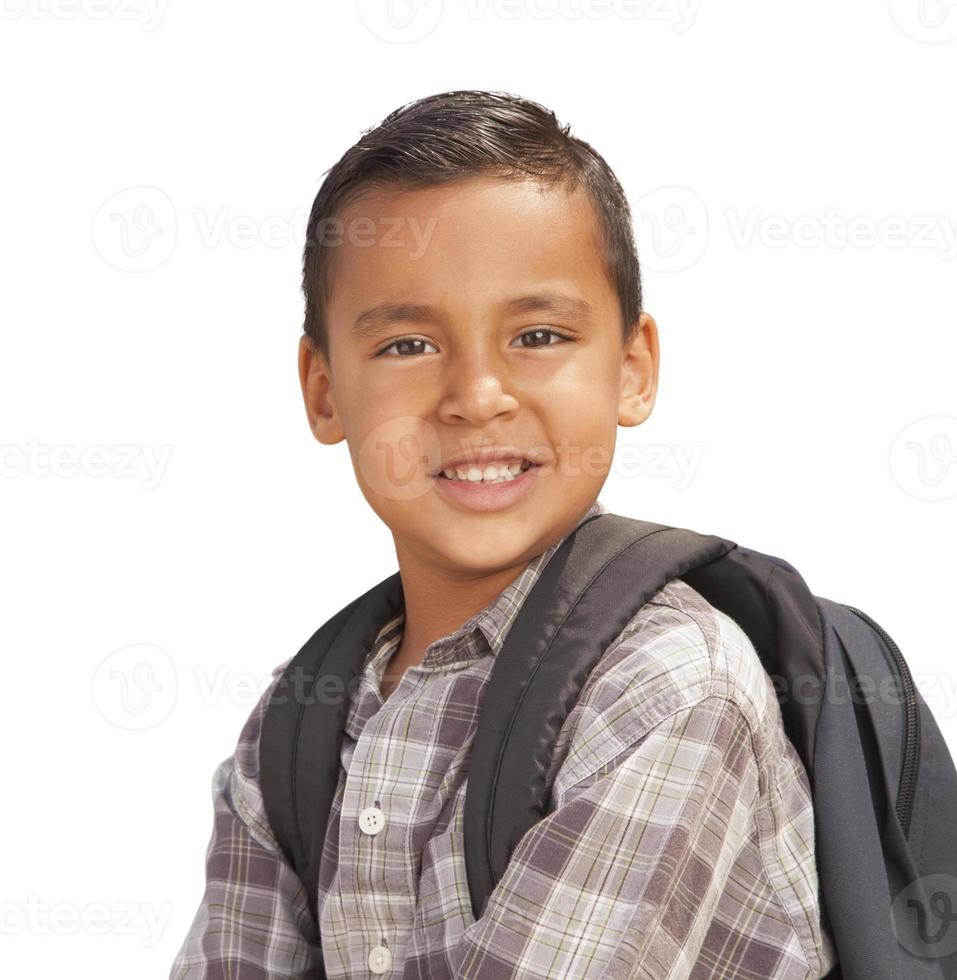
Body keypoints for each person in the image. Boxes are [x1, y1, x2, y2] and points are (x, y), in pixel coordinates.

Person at [169, 89, 838, 979]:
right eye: (408, 345)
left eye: (538, 334)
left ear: (632, 369)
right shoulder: (298, 724)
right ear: (324, 390)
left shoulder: (667, 686)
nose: (477, 393)